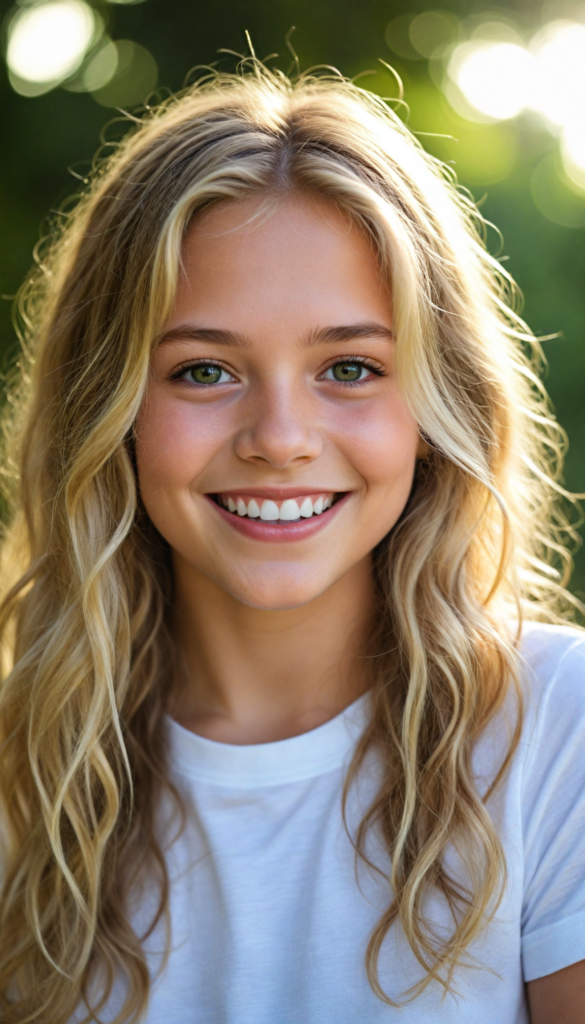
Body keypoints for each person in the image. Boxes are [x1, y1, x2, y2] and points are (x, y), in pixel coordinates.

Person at [0, 61, 584, 1024]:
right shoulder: (31, 778)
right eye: (202, 371)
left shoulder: (552, 733)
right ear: (108, 411)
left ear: (439, 407)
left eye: (348, 366)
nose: (278, 437)